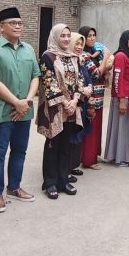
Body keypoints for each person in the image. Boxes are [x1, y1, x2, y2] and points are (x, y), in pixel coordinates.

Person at [0, 7, 40, 214]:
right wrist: (16, 102)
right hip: (3, 112)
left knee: (19, 151)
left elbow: (36, 76)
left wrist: (26, 101)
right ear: (1, 27)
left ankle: (14, 187)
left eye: (20, 23)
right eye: (12, 23)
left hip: (24, 110)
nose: (17, 26)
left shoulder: (29, 49)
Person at [36, 24, 84, 199]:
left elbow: (80, 80)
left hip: (71, 108)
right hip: (55, 109)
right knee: (52, 145)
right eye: (62, 35)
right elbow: (49, 83)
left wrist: (75, 101)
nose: (66, 39)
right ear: (55, 37)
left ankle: (63, 181)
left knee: (65, 145)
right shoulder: (47, 57)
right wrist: (65, 103)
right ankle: (50, 182)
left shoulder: (74, 57)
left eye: (68, 35)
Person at [77, 26, 112, 170]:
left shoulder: (94, 53)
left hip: (99, 96)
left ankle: (92, 156)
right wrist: (106, 57)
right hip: (90, 98)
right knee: (90, 129)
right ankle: (88, 160)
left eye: (94, 35)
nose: (92, 38)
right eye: (89, 36)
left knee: (96, 128)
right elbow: (96, 74)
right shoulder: (84, 55)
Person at [104, 30, 129, 166]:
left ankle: (127, 156)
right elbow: (117, 79)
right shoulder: (120, 56)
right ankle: (120, 158)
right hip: (122, 99)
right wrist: (121, 100)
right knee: (121, 129)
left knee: (127, 129)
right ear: (124, 40)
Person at [69, 33, 94, 180]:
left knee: (78, 136)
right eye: (76, 44)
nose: (79, 47)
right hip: (71, 106)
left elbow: (88, 79)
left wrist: (89, 88)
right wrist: (82, 90)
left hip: (82, 105)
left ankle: (72, 166)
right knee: (69, 138)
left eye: (81, 44)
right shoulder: (65, 62)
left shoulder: (80, 62)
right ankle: (65, 169)